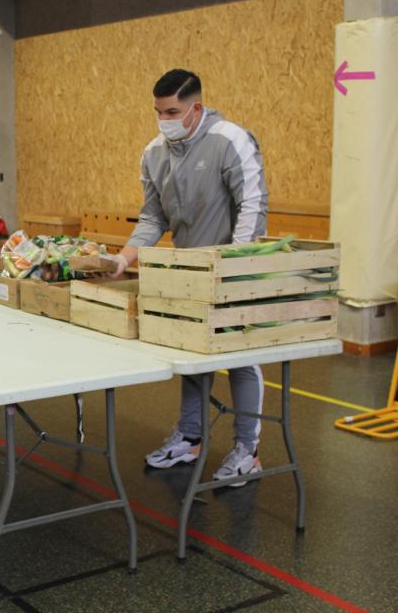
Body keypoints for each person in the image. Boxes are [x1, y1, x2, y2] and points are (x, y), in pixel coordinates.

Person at [112, 69, 269, 486]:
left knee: (239, 360)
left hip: (232, 270)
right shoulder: (154, 153)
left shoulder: (230, 140)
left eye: (173, 111)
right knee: (193, 358)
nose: (165, 119)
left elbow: (252, 205)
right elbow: (153, 216)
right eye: (159, 112)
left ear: (196, 108)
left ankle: (247, 451)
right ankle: (191, 437)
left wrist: (234, 265)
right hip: (188, 273)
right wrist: (125, 257)